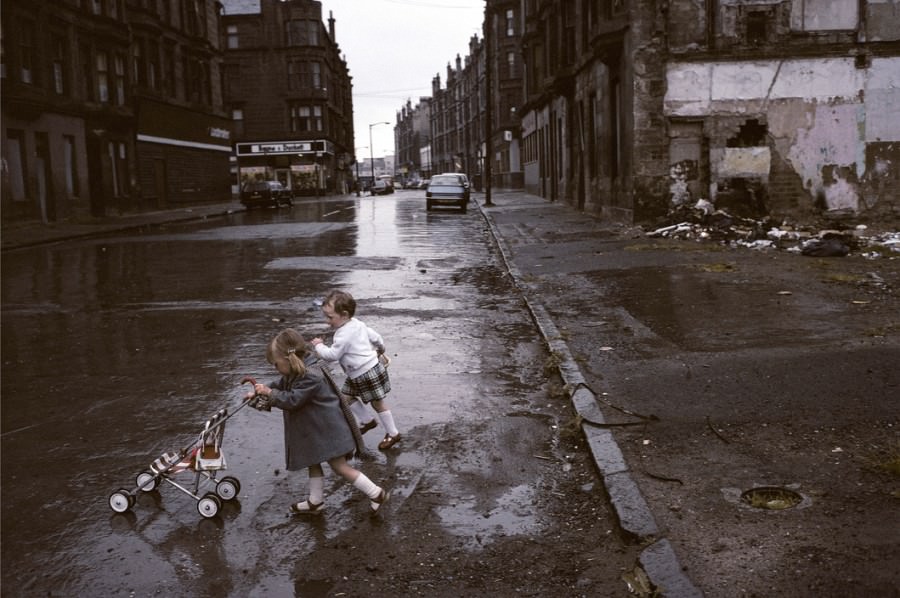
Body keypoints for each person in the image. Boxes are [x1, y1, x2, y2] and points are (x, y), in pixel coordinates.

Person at [246, 328, 389, 515]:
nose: (275, 369)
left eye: (276, 364)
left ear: (289, 359)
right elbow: (280, 385)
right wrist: (261, 390)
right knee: (313, 461)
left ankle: (375, 493)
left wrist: (269, 394)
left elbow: (292, 400)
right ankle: (316, 501)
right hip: (317, 430)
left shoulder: (311, 375)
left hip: (329, 431)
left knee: (340, 467)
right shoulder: (296, 371)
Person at [311, 290, 402, 451]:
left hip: (364, 373)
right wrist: (381, 349)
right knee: (345, 397)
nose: (327, 321)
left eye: (330, 317)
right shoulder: (358, 323)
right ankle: (367, 421)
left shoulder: (343, 335)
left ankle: (393, 433)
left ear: (344, 315)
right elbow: (376, 337)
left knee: (378, 403)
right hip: (365, 370)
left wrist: (319, 346)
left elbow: (332, 355)